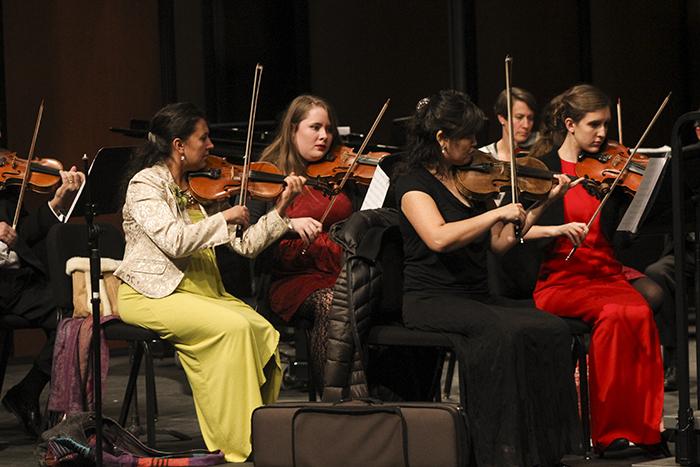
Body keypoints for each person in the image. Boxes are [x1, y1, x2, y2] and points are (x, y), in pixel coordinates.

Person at [393, 89, 579, 466]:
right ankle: (498, 451)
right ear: (442, 139)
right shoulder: (412, 184)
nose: (475, 144)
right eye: (467, 137)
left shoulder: (471, 180)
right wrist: (494, 214)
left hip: (476, 295)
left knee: (551, 328)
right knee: (503, 333)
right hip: (431, 300)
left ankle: (543, 449)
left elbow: (501, 243)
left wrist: (544, 200)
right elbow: (439, 237)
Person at [115, 102, 307, 462]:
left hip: (201, 291)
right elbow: (174, 240)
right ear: (179, 145)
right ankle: (238, 445)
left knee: (259, 328)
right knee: (234, 328)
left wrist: (282, 208)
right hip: (152, 293)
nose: (211, 146)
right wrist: (226, 218)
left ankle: (260, 429)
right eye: (203, 138)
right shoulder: (145, 185)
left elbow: (246, 246)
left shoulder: (198, 188)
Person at [529, 84, 667, 456]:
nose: (604, 134)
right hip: (561, 278)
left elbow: (618, 240)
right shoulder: (543, 169)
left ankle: (642, 428)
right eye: (595, 125)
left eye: (606, 124)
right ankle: (606, 431)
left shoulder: (610, 172)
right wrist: (554, 218)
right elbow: (520, 233)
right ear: (570, 124)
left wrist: (634, 203)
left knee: (638, 311)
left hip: (605, 273)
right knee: (616, 312)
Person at [0, 156, 84, 437]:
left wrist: (58, 202)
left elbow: (22, 233)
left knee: (77, 313)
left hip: (16, 282)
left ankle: (29, 390)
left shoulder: (6, 186)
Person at [480, 86, 537, 161]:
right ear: (502, 118)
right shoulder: (483, 156)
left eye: (530, 118)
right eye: (519, 117)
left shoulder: (537, 154)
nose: (526, 125)